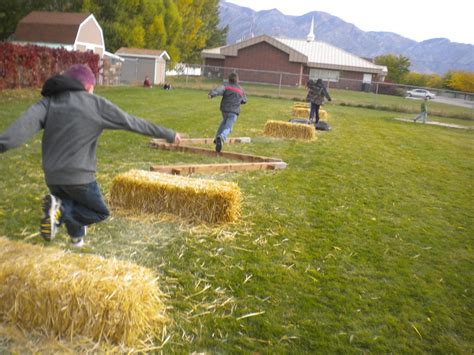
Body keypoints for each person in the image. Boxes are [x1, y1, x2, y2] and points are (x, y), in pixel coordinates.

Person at [0, 64, 181, 247]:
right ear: (88, 87)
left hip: (53, 177)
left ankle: (76, 239)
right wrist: (169, 134)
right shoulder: (96, 104)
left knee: (68, 201)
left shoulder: (49, 102)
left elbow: (19, 129)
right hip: (80, 177)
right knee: (99, 212)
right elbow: (132, 122)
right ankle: (61, 211)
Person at [208, 72, 247, 152]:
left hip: (224, 110)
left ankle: (217, 138)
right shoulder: (241, 89)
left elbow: (219, 90)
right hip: (234, 112)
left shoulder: (226, 86)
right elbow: (244, 100)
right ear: (237, 80)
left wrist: (212, 94)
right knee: (229, 127)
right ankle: (221, 137)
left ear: (229, 79)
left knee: (224, 123)